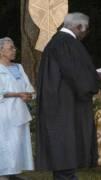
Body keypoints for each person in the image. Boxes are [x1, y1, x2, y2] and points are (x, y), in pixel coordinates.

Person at [36, 12, 101, 180]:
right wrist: (96, 79)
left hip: (57, 103)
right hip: (64, 106)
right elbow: (76, 75)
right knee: (65, 146)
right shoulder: (67, 43)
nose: (85, 33)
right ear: (79, 27)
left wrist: (90, 77)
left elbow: (71, 72)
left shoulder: (56, 42)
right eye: (85, 29)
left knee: (62, 149)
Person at [0, 37, 34, 180]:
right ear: (1, 51)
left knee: (19, 142)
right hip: (4, 112)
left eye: (14, 47)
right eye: (11, 48)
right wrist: (17, 94)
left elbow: (28, 87)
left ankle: (14, 172)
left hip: (20, 111)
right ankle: (3, 174)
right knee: (6, 142)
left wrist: (29, 95)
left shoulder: (18, 67)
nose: (14, 50)